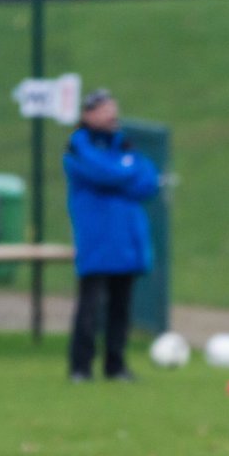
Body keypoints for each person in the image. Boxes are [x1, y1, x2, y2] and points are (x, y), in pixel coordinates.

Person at [63, 88, 160, 382]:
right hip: (97, 241)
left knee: (121, 307)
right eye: (104, 110)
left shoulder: (125, 146)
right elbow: (104, 173)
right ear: (87, 115)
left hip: (127, 240)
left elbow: (149, 182)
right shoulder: (77, 148)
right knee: (90, 306)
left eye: (112, 109)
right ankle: (80, 367)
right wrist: (124, 172)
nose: (111, 115)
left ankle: (115, 366)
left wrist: (122, 172)